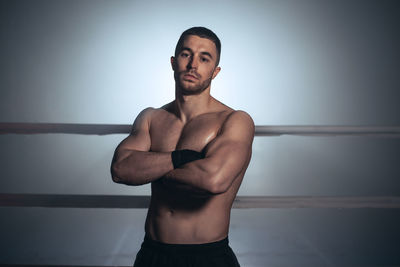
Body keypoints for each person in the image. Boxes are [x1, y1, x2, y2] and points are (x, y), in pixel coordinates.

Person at [111, 26, 254, 267]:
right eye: (186, 54)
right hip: (152, 253)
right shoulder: (151, 117)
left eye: (204, 58)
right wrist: (183, 158)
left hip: (207, 256)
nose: (193, 65)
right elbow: (121, 169)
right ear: (173, 62)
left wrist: (151, 167)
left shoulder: (234, 120)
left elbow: (213, 179)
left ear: (215, 71)